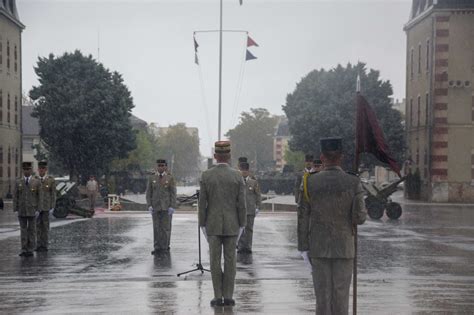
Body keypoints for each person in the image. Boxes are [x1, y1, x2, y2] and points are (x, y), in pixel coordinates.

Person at [298, 137, 366, 315]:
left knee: (322, 297)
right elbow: (360, 217)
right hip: (344, 247)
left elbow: (303, 217)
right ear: (341, 157)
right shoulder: (353, 182)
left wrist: (303, 247)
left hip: (318, 247)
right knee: (341, 296)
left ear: (322, 156)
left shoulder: (309, 181)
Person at [199, 141, 246, 307]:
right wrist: (242, 224)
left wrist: (202, 224)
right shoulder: (237, 175)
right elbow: (242, 203)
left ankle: (217, 296)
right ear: (229, 156)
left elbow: (202, 203)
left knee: (214, 261)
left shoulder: (206, 176)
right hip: (233, 224)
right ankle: (229, 296)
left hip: (212, 224)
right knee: (230, 260)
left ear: (215, 156)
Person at [146, 159, 177, 254]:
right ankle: (157, 247)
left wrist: (172, 206)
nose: (160, 167)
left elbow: (173, 193)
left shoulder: (170, 178)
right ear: (156, 166)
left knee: (166, 228)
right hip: (155, 207)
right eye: (159, 165)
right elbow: (149, 193)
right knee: (156, 228)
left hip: (166, 207)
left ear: (165, 167)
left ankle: (165, 247)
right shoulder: (152, 178)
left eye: (162, 165)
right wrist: (149, 205)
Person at [13, 162, 40, 257]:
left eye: (28, 169)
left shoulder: (36, 182)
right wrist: (15, 208)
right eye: (25, 169)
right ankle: (24, 249)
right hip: (22, 209)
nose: (26, 171)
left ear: (31, 170)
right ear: (22, 170)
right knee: (23, 230)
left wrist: (38, 209)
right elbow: (15, 195)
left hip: (32, 209)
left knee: (32, 231)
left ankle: (30, 249)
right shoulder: (18, 182)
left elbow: (39, 196)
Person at [237, 161, 261, 254]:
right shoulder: (237, 181)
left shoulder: (253, 182)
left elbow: (258, 195)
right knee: (240, 229)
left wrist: (258, 206)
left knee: (249, 229)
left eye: (245, 171)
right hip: (240, 209)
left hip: (250, 209)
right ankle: (240, 246)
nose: (244, 172)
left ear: (248, 171)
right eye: (242, 171)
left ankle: (248, 246)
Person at [35, 161, 56, 252]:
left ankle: (45, 245)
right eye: (40, 169)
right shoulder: (34, 179)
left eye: (43, 169)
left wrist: (52, 206)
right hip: (37, 207)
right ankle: (38, 245)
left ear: (46, 170)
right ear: (38, 169)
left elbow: (53, 194)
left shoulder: (51, 180)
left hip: (47, 207)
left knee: (45, 226)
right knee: (37, 227)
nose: (41, 170)